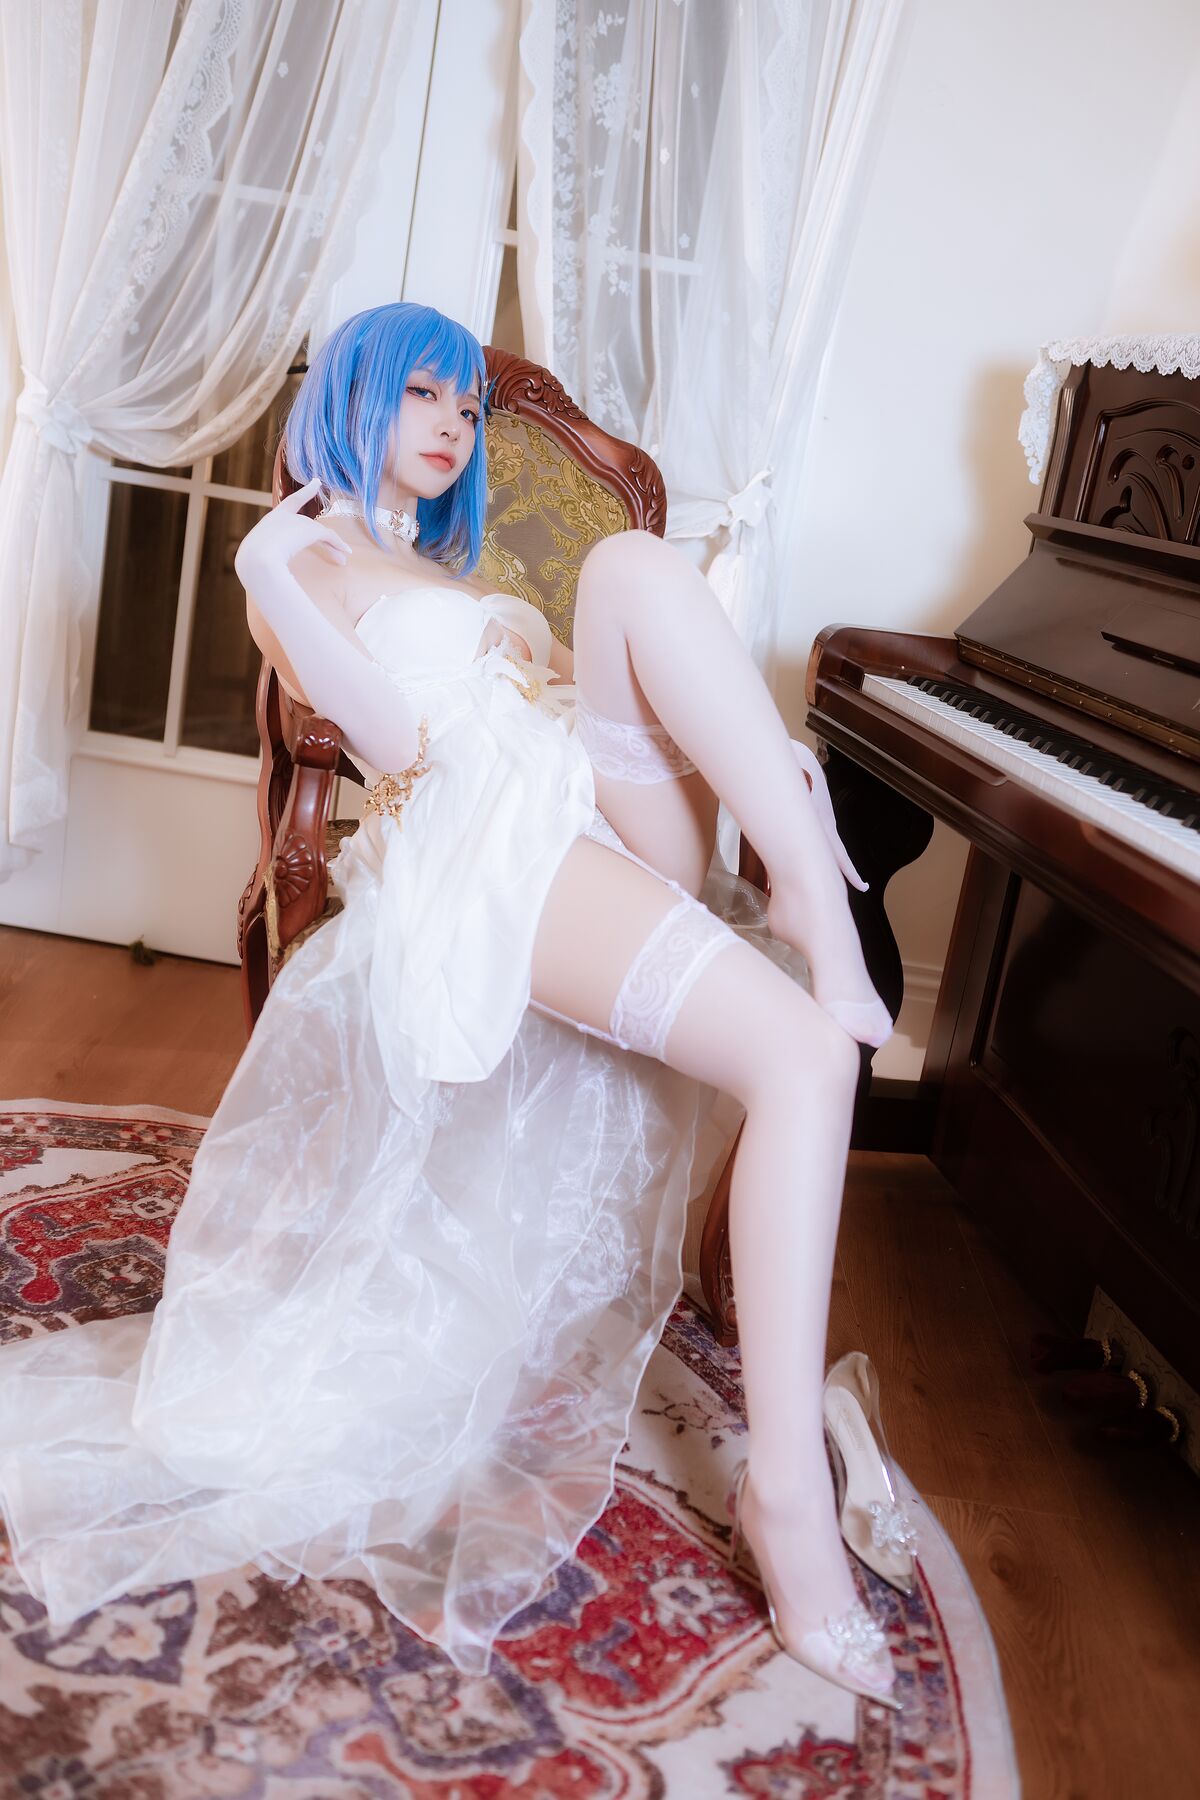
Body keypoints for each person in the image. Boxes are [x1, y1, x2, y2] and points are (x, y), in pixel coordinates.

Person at [0, 303, 914, 1704]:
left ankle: (802, 883)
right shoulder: (298, 558)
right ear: (352, 395)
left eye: (466, 405)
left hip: (578, 794)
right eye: (422, 391)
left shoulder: (437, 560)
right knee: (807, 1058)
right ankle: (785, 1497)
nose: (453, 421)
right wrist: (266, 565)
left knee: (632, 568)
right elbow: (398, 744)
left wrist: (750, 747)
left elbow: (582, 696)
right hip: (487, 837)